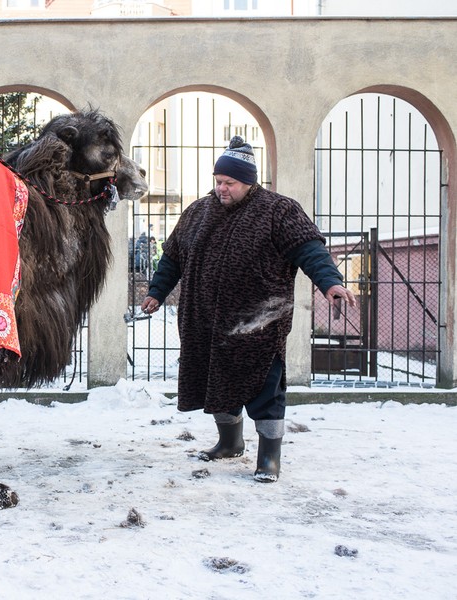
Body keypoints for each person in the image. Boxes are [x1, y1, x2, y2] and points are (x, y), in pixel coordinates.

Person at [140, 136, 356, 483]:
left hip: (259, 324)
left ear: (249, 181)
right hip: (205, 321)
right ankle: (230, 443)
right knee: (216, 383)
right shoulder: (197, 212)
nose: (221, 189)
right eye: (218, 181)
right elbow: (173, 257)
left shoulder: (278, 211)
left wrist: (330, 282)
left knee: (264, 389)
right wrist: (156, 292)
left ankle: (269, 457)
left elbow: (309, 250)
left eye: (230, 182)